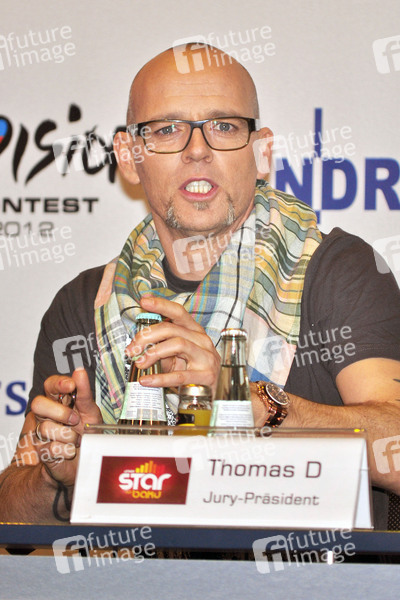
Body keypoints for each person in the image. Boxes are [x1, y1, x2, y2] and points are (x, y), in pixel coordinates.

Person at [0, 44, 399, 527]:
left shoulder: (338, 270)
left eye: (224, 126)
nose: (197, 150)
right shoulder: (84, 302)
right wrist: (64, 481)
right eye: (167, 129)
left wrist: (242, 399)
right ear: (129, 156)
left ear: (262, 151)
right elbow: (11, 520)